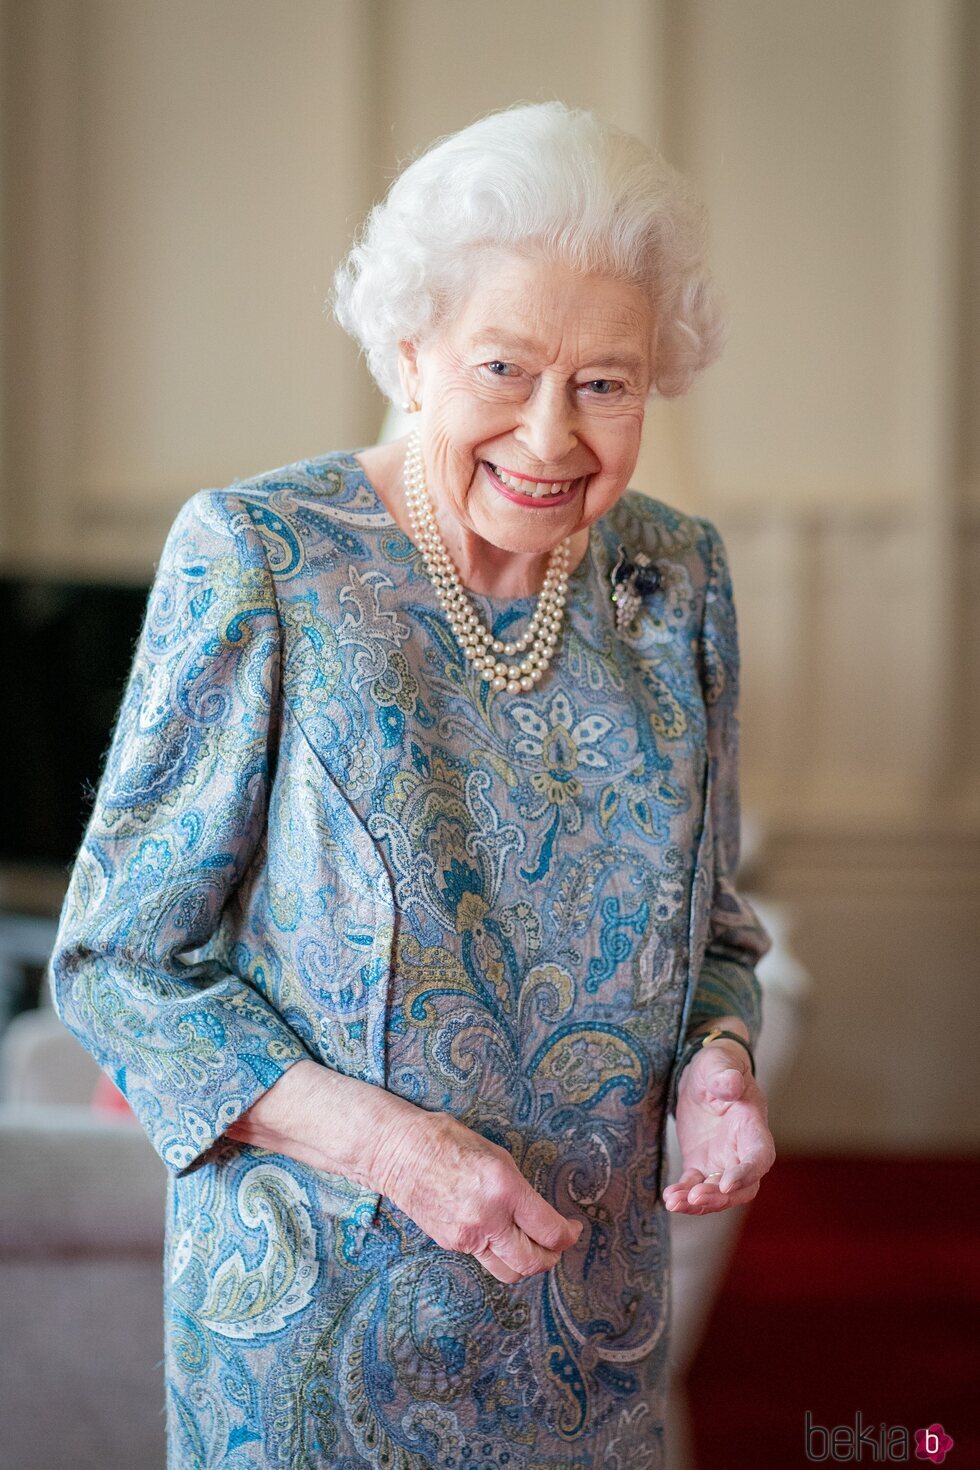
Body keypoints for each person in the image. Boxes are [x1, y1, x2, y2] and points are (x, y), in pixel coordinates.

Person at [49, 101, 775, 1469]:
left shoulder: (674, 581)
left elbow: (717, 935)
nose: (553, 436)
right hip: (319, 1341)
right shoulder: (262, 558)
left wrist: (719, 1069)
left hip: (584, 1336)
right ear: (410, 350)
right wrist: (400, 1151)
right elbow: (114, 964)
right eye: (504, 365)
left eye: (607, 381)